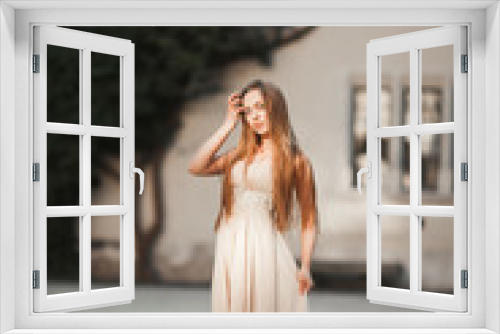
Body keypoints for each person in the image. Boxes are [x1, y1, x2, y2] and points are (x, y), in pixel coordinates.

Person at [188, 79, 320, 312]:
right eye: (248, 112)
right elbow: (196, 167)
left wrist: (306, 266)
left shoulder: (297, 161)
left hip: (265, 252)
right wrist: (228, 125)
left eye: (260, 107)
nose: (255, 116)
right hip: (230, 248)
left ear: (276, 108)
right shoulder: (239, 155)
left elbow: (309, 219)